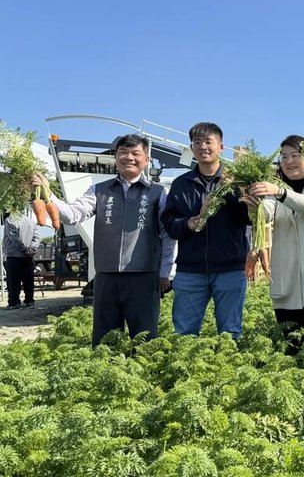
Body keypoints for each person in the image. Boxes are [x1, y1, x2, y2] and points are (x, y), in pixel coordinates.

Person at [32, 134, 174, 347]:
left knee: (145, 338)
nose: (129, 158)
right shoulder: (100, 190)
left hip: (144, 275)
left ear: (146, 159)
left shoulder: (158, 193)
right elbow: (73, 214)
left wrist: (166, 271)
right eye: (123, 153)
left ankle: (146, 378)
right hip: (107, 275)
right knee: (105, 338)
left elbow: (168, 235)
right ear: (115, 157)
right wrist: (48, 195)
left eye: (136, 153)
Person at [162, 122, 250, 340]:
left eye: (208, 142)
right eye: (197, 142)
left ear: (220, 146)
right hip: (190, 271)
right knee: (184, 333)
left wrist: (238, 197)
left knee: (230, 333)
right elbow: (170, 224)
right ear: (192, 148)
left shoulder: (237, 181)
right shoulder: (181, 184)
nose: (203, 146)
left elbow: (248, 219)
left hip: (230, 268)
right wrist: (191, 222)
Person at [249, 135, 304, 351]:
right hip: (285, 283)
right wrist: (253, 206)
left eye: (295, 155)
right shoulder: (273, 195)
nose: (289, 161)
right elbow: (266, 214)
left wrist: (279, 192)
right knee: (290, 348)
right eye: (284, 157)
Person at [3, 211, 40, 310]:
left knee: (13, 281)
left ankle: (14, 302)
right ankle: (29, 301)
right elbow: (37, 238)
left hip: (14, 255)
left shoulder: (10, 220)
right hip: (28, 256)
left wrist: (23, 248)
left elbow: (13, 238)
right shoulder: (31, 221)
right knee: (28, 280)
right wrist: (31, 249)